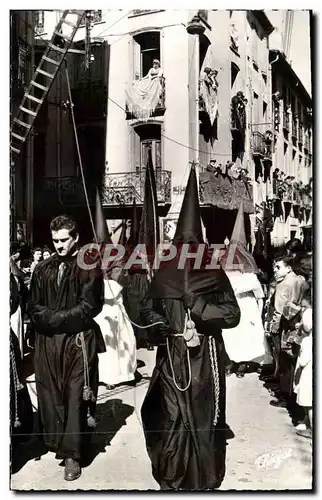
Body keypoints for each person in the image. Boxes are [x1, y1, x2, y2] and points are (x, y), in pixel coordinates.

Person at [139, 165, 240, 490]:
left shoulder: (213, 272)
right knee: (170, 419)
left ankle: (199, 480)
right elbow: (146, 313)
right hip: (171, 358)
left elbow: (231, 314)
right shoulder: (164, 272)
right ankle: (171, 478)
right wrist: (159, 327)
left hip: (204, 360)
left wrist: (196, 305)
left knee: (200, 419)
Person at [29, 215, 105, 481]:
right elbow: (34, 307)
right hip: (48, 342)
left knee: (75, 395)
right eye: (55, 240)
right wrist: (51, 319)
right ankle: (55, 440)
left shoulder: (89, 266)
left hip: (78, 341)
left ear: (75, 238)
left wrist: (56, 319)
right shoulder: (43, 269)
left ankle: (73, 454)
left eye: (64, 240)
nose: (59, 245)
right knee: (51, 392)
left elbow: (90, 306)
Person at [220, 202, 266, 377]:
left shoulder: (250, 274)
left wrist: (258, 312)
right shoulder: (224, 271)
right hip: (231, 304)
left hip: (247, 307)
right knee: (231, 335)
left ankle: (243, 364)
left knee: (245, 335)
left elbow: (259, 294)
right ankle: (231, 362)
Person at [264, 255, 307, 406]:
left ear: (288, 268)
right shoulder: (300, 280)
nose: (275, 271)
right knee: (293, 359)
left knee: (284, 360)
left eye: (278, 267)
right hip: (298, 324)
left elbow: (279, 311)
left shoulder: (283, 285)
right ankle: (292, 394)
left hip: (285, 325)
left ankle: (284, 396)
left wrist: (273, 329)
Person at [95, 261, 137, 388]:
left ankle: (113, 377)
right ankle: (100, 375)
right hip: (99, 313)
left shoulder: (117, 268)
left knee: (114, 344)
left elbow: (111, 293)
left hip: (112, 310)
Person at [293, 307, 312, 439]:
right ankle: (307, 421)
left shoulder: (307, 341)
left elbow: (304, 360)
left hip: (308, 375)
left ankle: (312, 429)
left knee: (310, 404)